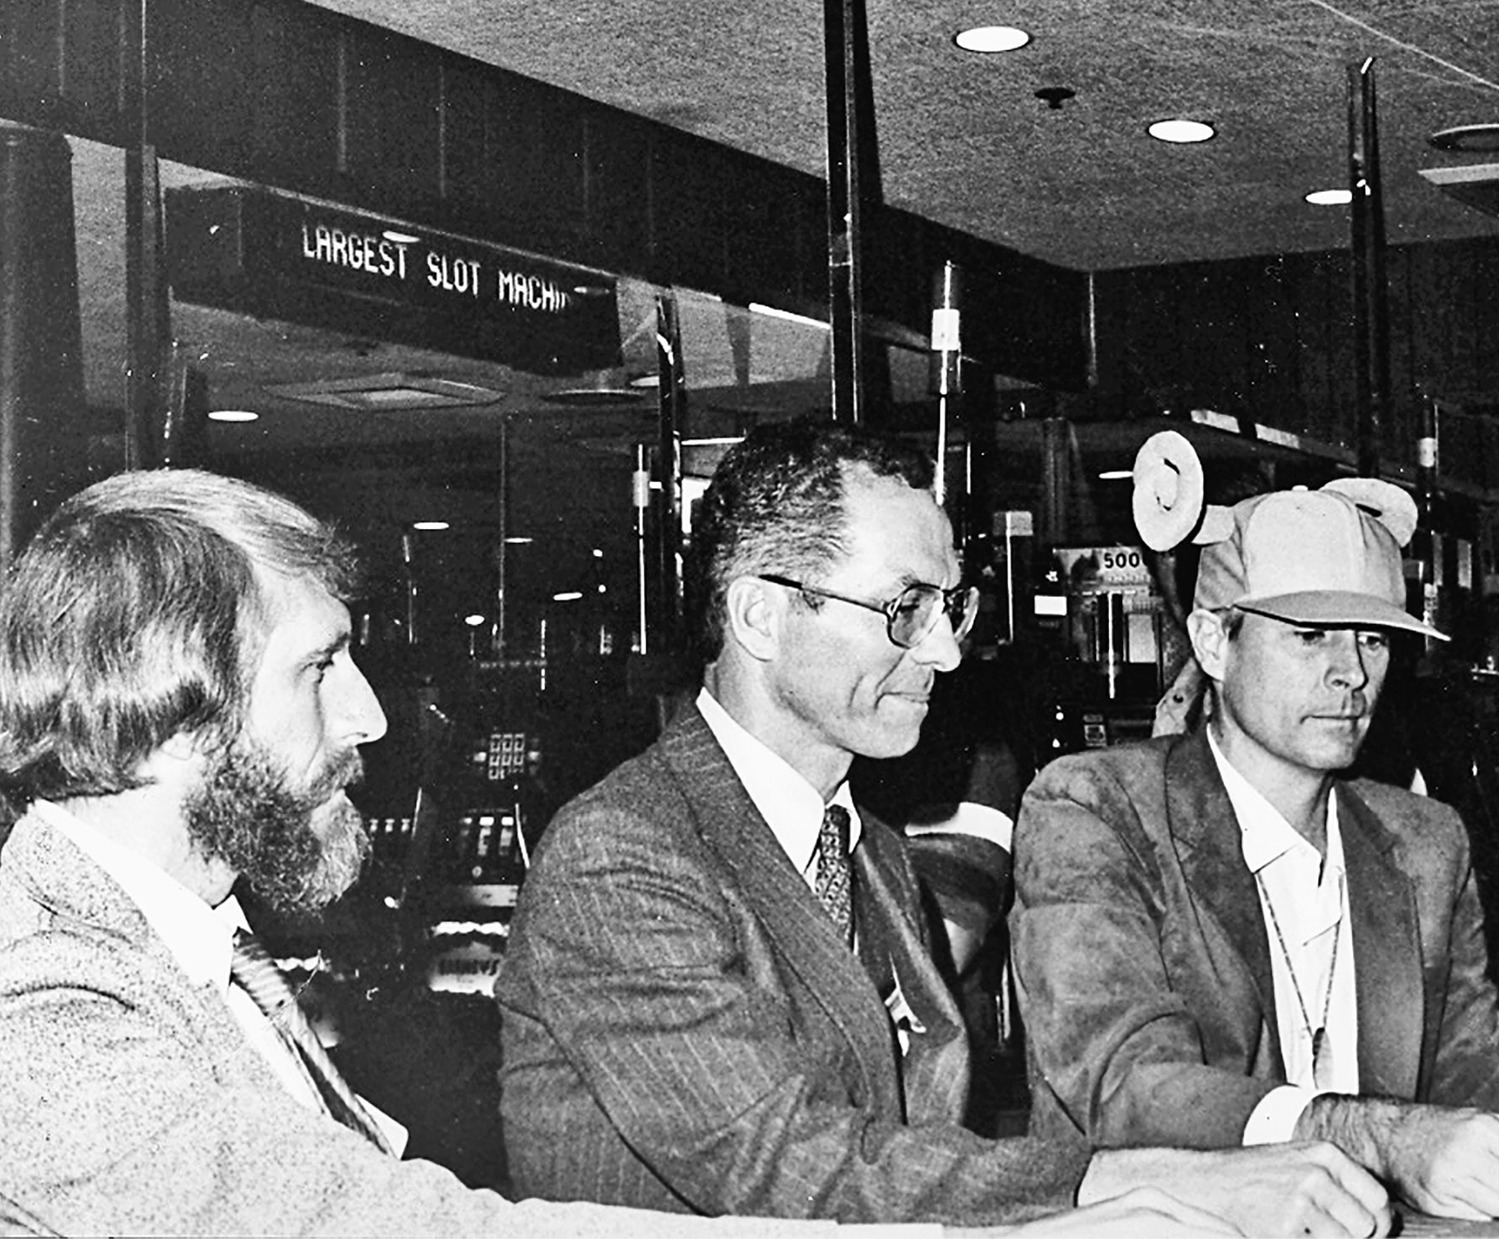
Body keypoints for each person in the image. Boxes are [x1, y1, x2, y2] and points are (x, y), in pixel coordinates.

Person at [0, 467, 1082, 1239]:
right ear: (173, 711)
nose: (371, 718)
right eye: (318, 667)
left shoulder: (188, 950)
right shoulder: (40, 997)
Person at [496, 420, 1392, 1236]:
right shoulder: (622, 855)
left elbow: (906, 1152)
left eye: (947, 607)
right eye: (903, 609)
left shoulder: (872, 853)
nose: (944, 651)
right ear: (759, 616)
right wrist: (1127, 1180)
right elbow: (780, 1164)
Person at [1010, 477, 1499, 1223]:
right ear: (1213, 642)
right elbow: (1127, 1088)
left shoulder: (1424, 844)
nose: (1350, 671)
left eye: (1371, 637)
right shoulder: (1095, 808)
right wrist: (1382, 1135)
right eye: (1310, 634)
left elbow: (1478, 1103)